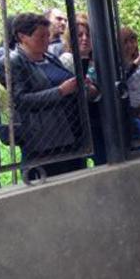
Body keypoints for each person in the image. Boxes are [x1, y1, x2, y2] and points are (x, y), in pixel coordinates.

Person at [9, 13, 93, 178]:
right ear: (22, 37)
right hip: (43, 144)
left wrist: (78, 85)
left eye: (48, 35)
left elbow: (66, 85)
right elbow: (20, 100)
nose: (47, 40)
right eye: (41, 36)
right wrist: (60, 91)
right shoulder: (12, 62)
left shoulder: (51, 57)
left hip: (71, 136)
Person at [58, 13, 106, 166]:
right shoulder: (67, 59)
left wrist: (94, 91)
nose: (84, 38)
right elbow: (77, 91)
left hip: (99, 118)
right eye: (79, 35)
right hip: (77, 122)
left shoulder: (97, 61)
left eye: (88, 35)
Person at [119, 27, 140, 110]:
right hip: (130, 107)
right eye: (125, 42)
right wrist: (135, 64)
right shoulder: (117, 62)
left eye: (132, 41)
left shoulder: (137, 58)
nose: (129, 45)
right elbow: (123, 79)